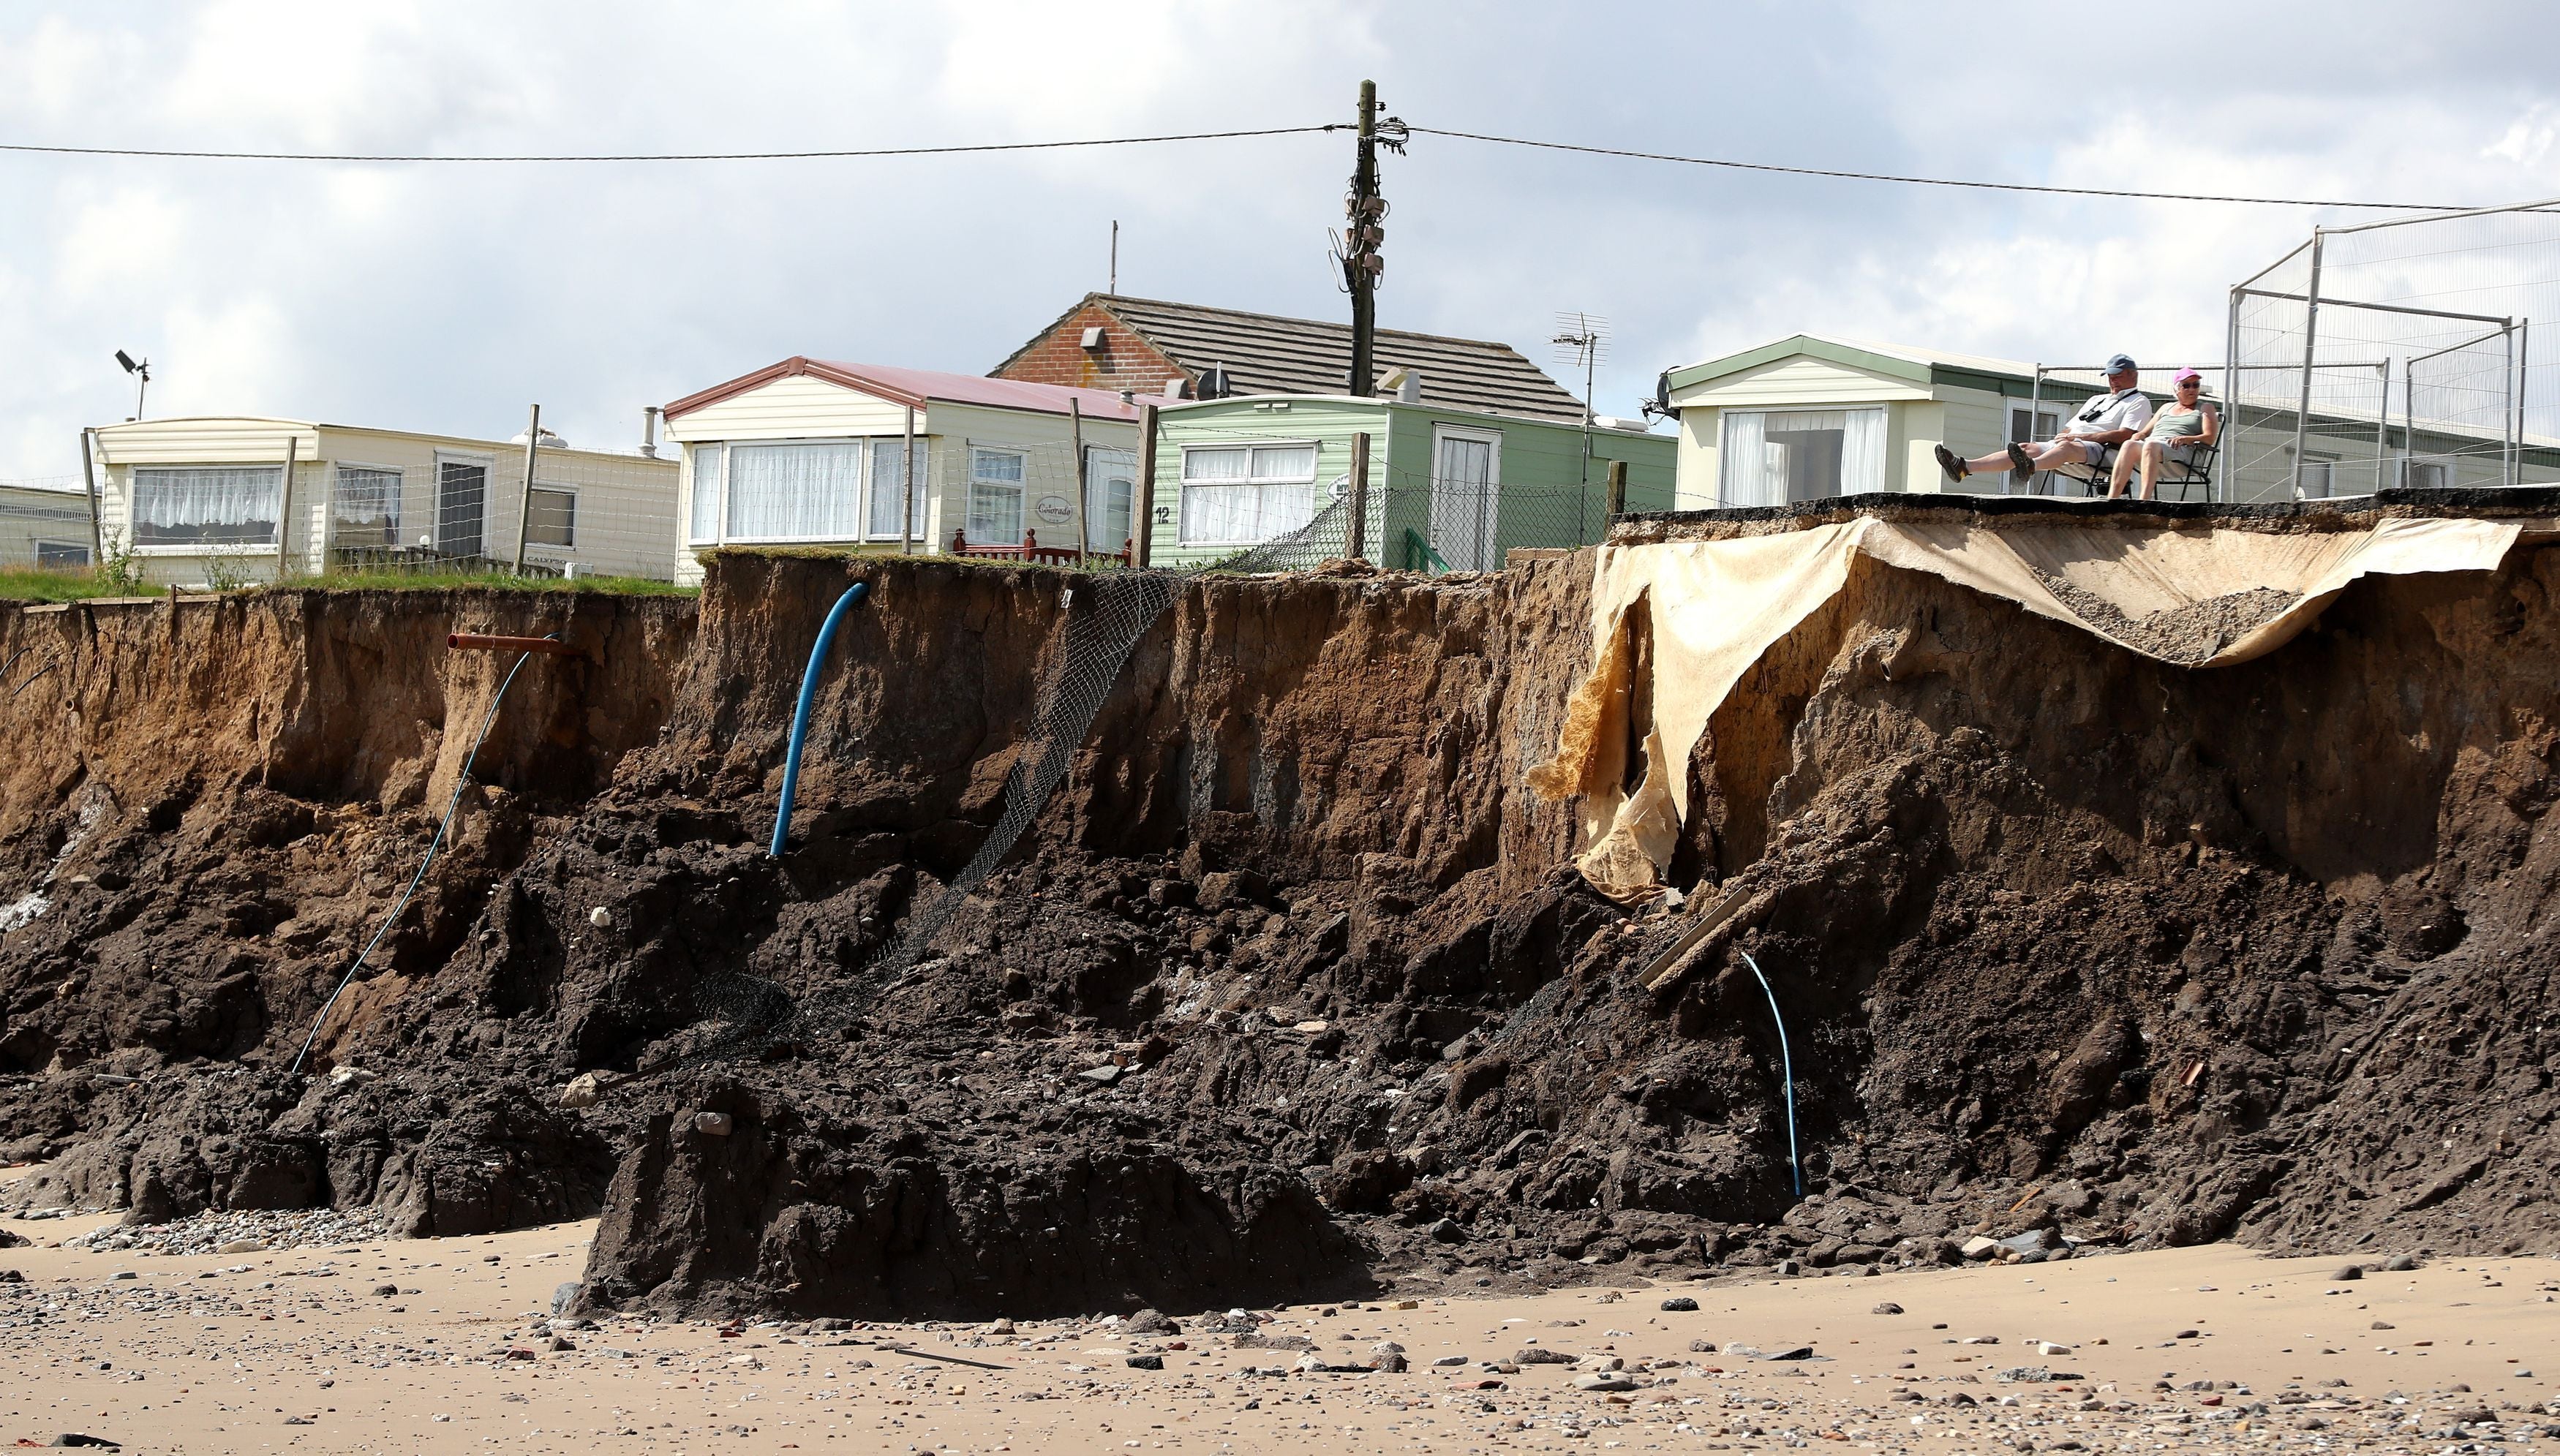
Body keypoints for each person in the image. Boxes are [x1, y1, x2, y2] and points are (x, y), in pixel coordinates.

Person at [1935, 355, 2154, 487]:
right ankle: (1964, 467)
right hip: (2074, 442)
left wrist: (2082, 437)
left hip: (2103, 450)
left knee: (2067, 447)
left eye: (2117, 375)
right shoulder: (2098, 399)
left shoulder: (2138, 401)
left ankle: (2032, 467)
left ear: (2132, 375)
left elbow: (2126, 435)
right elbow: (2073, 424)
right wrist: (2065, 434)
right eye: (2110, 376)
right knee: (2024, 447)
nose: (2112, 380)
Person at [2107, 367, 2216, 499]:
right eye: (2186, 385)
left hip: (2183, 452)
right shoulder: (2166, 407)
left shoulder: (2205, 407)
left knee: (2151, 445)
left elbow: (2209, 438)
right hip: (2155, 448)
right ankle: (2112, 499)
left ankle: (2144, 500)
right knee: (2128, 445)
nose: (2192, 389)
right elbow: (2145, 432)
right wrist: (2138, 435)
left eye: (2196, 385)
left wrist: (2186, 439)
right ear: (2177, 389)